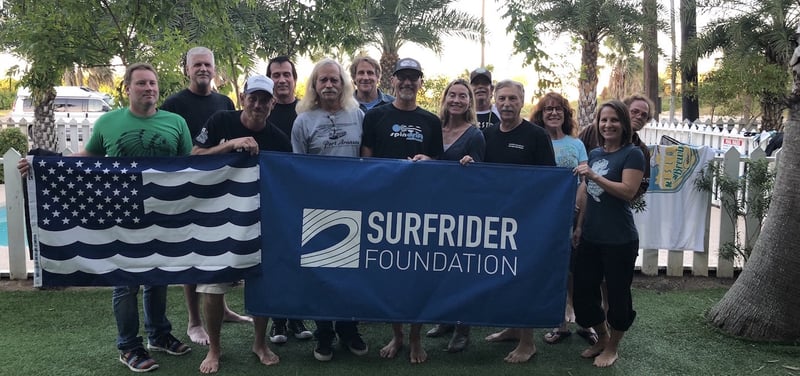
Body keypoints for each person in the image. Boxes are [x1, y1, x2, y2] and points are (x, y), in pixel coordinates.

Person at [20, 63, 193, 373]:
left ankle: (159, 334)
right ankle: (128, 346)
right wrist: (42, 163)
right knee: (125, 281)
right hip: (122, 213)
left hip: (162, 213)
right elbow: (87, 158)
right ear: (127, 88)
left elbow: (189, 165)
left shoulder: (176, 122)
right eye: (141, 83)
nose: (148, 88)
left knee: (158, 275)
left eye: (152, 83)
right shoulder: (108, 123)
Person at [192, 74, 291, 373]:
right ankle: (214, 349)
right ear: (243, 96)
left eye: (265, 99)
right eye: (254, 97)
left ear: (273, 104)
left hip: (260, 219)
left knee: (263, 282)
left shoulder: (278, 139)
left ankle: (259, 343)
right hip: (217, 216)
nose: (258, 104)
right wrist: (232, 144)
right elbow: (195, 156)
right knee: (212, 285)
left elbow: (287, 181)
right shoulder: (221, 121)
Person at [160, 46, 250, 348]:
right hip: (188, 187)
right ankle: (194, 321)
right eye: (196, 64)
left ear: (214, 69)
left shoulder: (224, 101)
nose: (202, 69)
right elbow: (176, 147)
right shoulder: (174, 104)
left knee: (217, 249)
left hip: (221, 186)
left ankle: (222, 310)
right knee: (192, 252)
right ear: (186, 69)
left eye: (207, 64)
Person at [360, 57, 443, 363]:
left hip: (420, 210)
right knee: (391, 274)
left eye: (414, 78)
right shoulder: (375, 117)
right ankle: (397, 336)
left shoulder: (431, 121)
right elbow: (365, 163)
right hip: (384, 209)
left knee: (417, 274)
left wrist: (429, 163)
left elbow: (440, 165)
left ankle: (417, 338)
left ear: (421, 82)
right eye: (403, 77)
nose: (408, 83)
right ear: (393, 80)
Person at [291, 59, 369, 361]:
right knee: (321, 272)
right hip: (318, 208)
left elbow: (366, 158)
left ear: (343, 83)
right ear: (314, 85)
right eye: (322, 80)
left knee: (350, 272)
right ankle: (324, 333)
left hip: (353, 204)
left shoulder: (357, 114)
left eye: (334, 80)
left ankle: (349, 329)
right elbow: (296, 167)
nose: (329, 85)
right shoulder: (303, 120)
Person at [481, 80, 555, 363]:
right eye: (502, 99)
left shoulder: (536, 135)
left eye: (512, 98)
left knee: (524, 278)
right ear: (494, 101)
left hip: (528, 220)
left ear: (522, 101)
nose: (507, 104)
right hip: (497, 220)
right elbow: (482, 175)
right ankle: (512, 328)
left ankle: (528, 341)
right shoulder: (487, 135)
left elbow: (549, 180)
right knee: (504, 277)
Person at [572, 100, 645, 368]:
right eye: (603, 120)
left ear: (623, 123)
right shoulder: (595, 153)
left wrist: (593, 175)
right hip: (591, 235)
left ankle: (613, 347)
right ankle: (601, 338)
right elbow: (588, 195)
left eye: (614, 120)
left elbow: (628, 191)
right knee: (583, 293)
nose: (608, 125)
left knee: (617, 297)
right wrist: (580, 226)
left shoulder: (632, 154)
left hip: (620, 239)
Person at [529, 92, 597, 346]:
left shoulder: (576, 144)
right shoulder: (535, 141)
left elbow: (584, 183)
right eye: (548, 109)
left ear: (565, 115)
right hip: (543, 218)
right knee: (553, 270)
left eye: (558, 109)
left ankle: (586, 322)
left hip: (572, 216)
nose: (554, 113)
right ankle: (560, 324)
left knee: (576, 271)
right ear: (541, 115)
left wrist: (579, 223)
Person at [424, 78, 485, 352]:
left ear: (469, 102)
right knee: (439, 268)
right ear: (445, 98)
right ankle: (445, 319)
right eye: (452, 95)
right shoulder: (434, 128)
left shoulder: (475, 135)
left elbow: (484, 176)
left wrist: (472, 165)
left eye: (463, 96)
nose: (457, 100)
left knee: (462, 270)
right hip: (434, 208)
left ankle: (463, 327)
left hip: (463, 212)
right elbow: (432, 164)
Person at [264, 55, 313, 344]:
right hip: (270, 198)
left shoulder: (306, 111)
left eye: (286, 75)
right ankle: (277, 321)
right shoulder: (261, 109)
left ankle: (296, 317)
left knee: (300, 259)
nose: (281, 80)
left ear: (295, 79)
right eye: (275, 75)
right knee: (275, 260)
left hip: (301, 197)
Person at [622, 94, 654, 199]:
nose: (639, 116)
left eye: (644, 115)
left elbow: (642, 186)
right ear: (624, 111)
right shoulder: (595, 132)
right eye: (635, 112)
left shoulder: (642, 150)